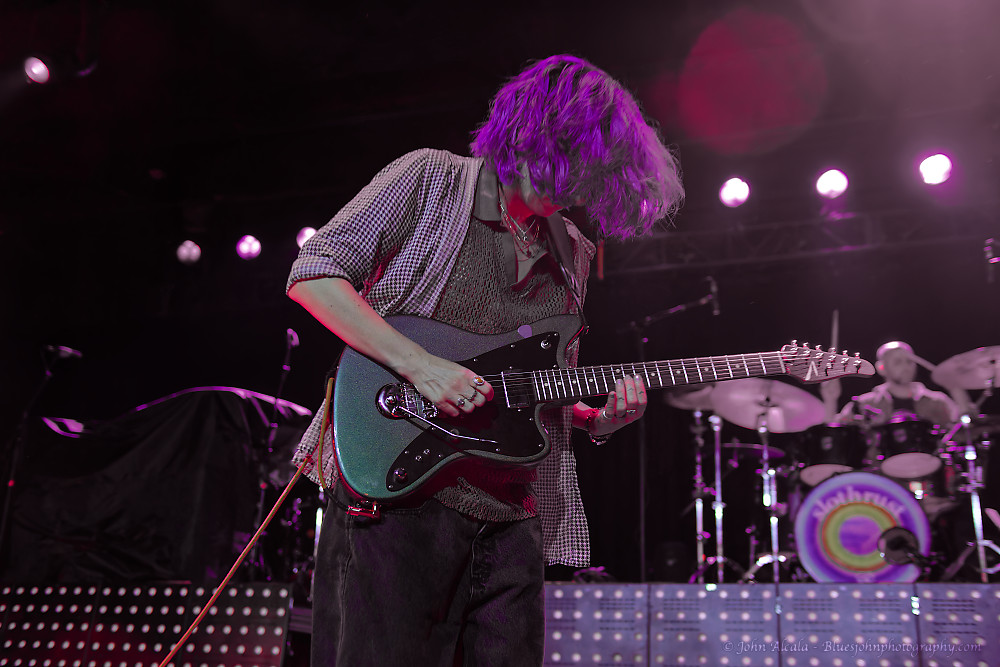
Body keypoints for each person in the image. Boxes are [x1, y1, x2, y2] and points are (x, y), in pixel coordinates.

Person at [285, 55, 684, 666]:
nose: (584, 186)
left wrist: (591, 420)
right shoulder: (429, 180)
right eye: (584, 162)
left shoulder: (572, 248)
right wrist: (422, 365)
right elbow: (313, 274)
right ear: (541, 134)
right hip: (396, 500)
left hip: (510, 521)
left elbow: (524, 389)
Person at [821, 340, 959, 426]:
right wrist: (830, 401)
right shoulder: (864, 404)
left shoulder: (938, 401)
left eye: (909, 361)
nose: (906, 367)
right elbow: (833, 436)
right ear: (881, 368)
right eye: (898, 362)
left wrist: (956, 390)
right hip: (879, 472)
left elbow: (965, 432)